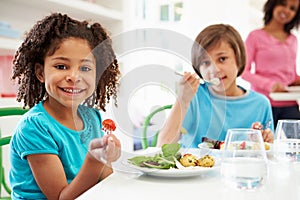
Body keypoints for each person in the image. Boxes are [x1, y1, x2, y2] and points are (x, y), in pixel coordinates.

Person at [9, 13, 121, 199]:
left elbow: (105, 180)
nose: (74, 77)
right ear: (40, 73)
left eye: (85, 68)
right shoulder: (35, 128)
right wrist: (95, 161)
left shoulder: (93, 117)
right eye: (61, 66)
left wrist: (107, 158)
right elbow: (61, 198)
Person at [157, 24, 274, 148]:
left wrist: (266, 140)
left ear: (238, 59)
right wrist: (183, 99)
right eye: (206, 63)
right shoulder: (193, 97)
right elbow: (162, 146)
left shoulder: (260, 104)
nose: (215, 69)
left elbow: (268, 150)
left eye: (222, 59)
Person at [242, 0, 300, 128]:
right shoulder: (255, 36)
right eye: (283, 4)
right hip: (264, 103)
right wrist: (271, 85)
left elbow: (291, 74)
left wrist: (297, 80)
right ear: (273, 4)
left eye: (292, 8)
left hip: (289, 103)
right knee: (264, 144)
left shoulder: (293, 40)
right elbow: (243, 71)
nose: (287, 10)